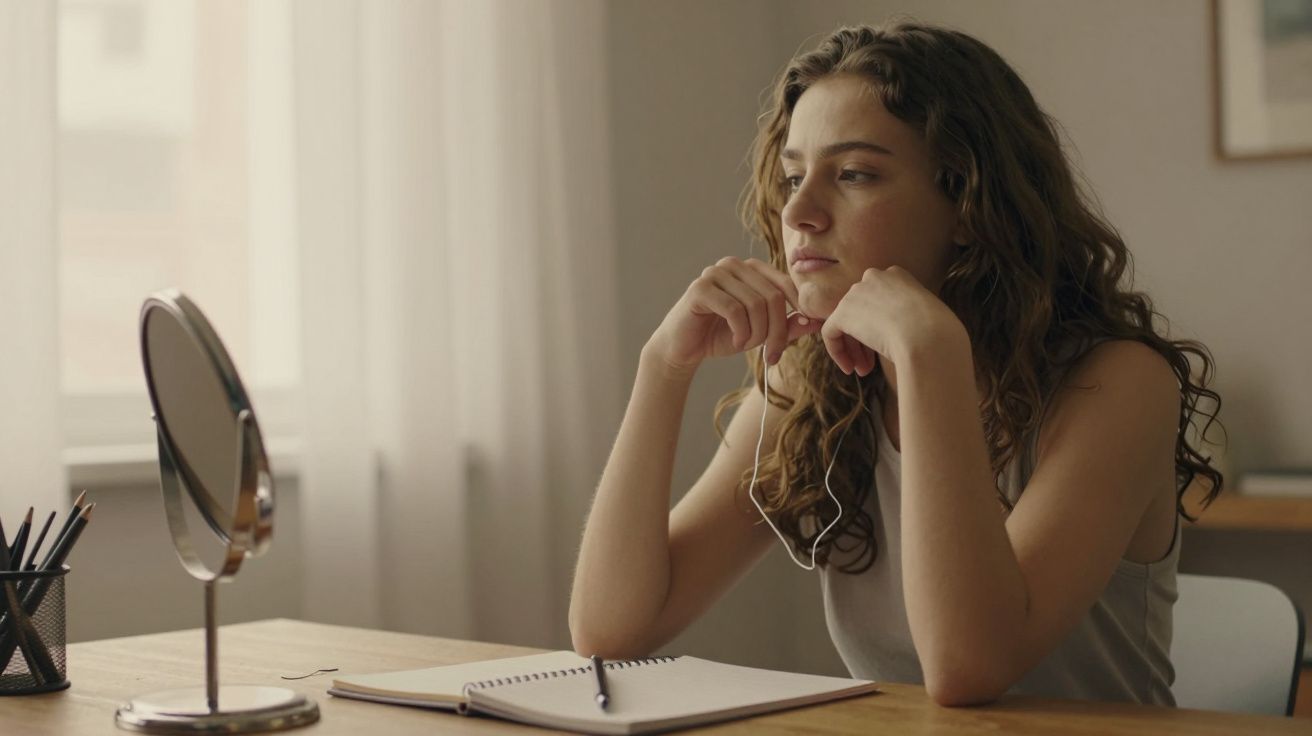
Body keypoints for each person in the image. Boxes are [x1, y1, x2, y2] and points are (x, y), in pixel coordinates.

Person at [568, 21, 1223, 708]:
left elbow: (970, 667)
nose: (798, 211)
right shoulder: (811, 379)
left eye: (853, 174)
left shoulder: (1118, 384)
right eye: (793, 175)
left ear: (969, 204)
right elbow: (611, 634)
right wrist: (661, 368)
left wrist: (928, 357)